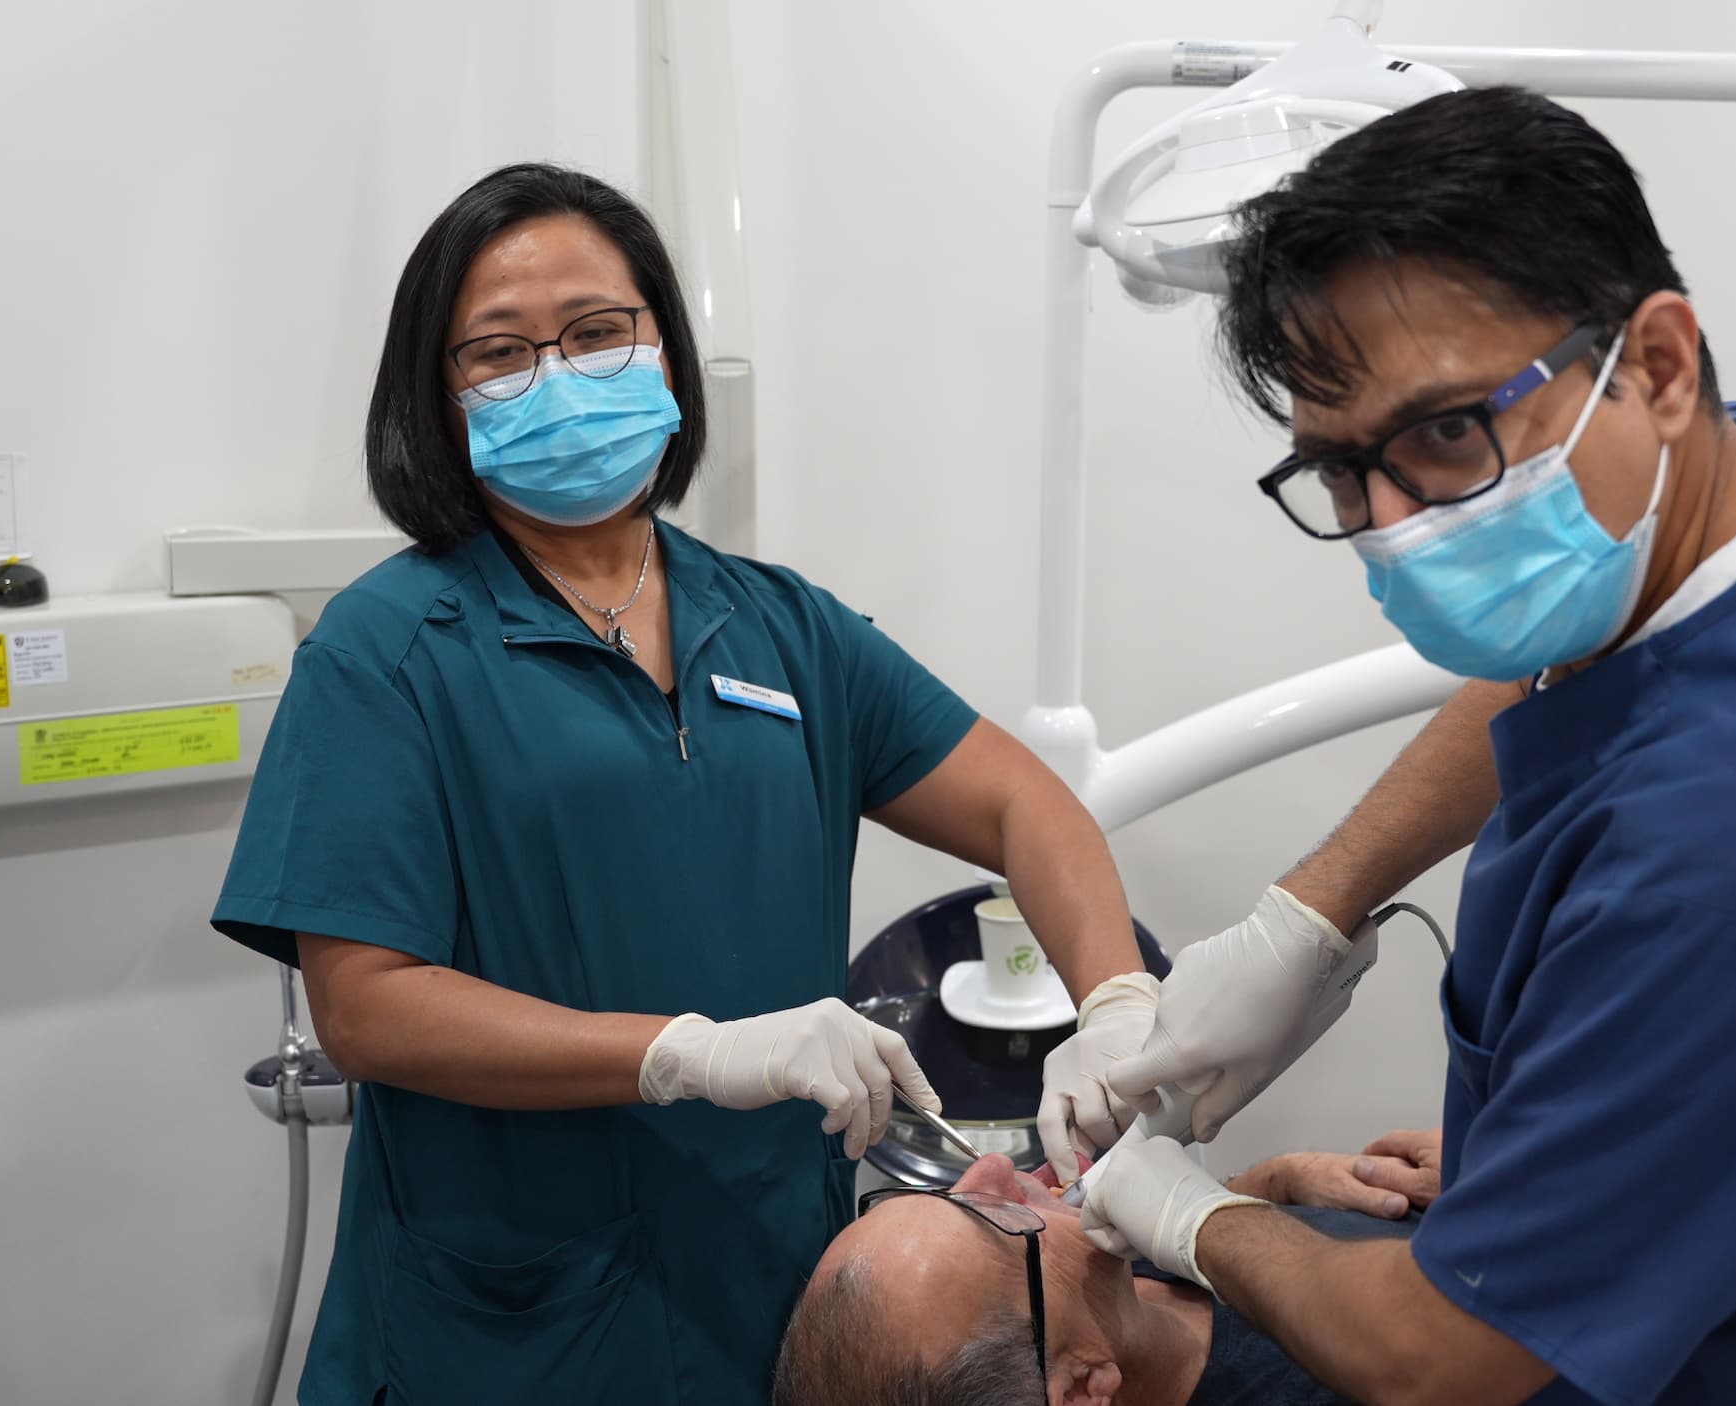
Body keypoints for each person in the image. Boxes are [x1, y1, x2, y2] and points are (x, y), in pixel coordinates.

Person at [1051, 88, 1736, 1405]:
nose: (1394, 524)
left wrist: (1180, 1209)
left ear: (1657, 367)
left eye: (1447, 434)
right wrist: (1308, 913)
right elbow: (1571, 652)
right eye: (1338, 471)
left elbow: (1434, 1357)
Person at [209, 163, 1147, 1404]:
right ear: (439, 401)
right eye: (500, 353)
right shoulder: (388, 650)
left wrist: (1118, 1001)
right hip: (512, 1316)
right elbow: (368, 1010)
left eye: (599, 332)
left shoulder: (778, 626)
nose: (560, 372)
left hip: (770, 1278)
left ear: (665, 345)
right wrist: (687, 1053)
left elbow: (1028, 804)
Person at [773, 1133, 1446, 1406]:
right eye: (996, 1223)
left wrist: (1279, 1184)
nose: (994, 1169)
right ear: (1080, 1387)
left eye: (947, 1198)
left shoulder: (1112, 1272)